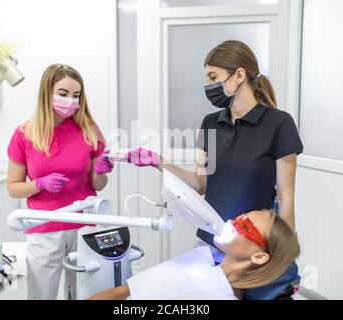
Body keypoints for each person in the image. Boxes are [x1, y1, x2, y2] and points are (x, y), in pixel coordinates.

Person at [124, 40, 304, 299]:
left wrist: (282, 253)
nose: (208, 85)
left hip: (251, 249)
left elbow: (286, 197)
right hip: (212, 241)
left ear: (239, 75)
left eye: (213, 76)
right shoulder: (211, 123)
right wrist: (158, 161)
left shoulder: (278, 123)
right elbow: (200, 183)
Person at [6, 64, 114, 300]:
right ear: (47, 92)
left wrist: (101, 172)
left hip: (84, 224)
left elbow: (97, 185)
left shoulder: (88, 130)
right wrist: (39, 184)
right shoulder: (25, 134)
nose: (70, 101)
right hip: (45, 227)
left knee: (84, 293)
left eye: (76, 95)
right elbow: (13, 187)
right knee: (42, 295)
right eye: (63, 94)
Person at [89, 210, 300, 300]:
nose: (233, 222)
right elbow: (124, 291)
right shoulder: (201, 258)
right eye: (240, 216)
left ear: (259, 257)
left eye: (245, 226)